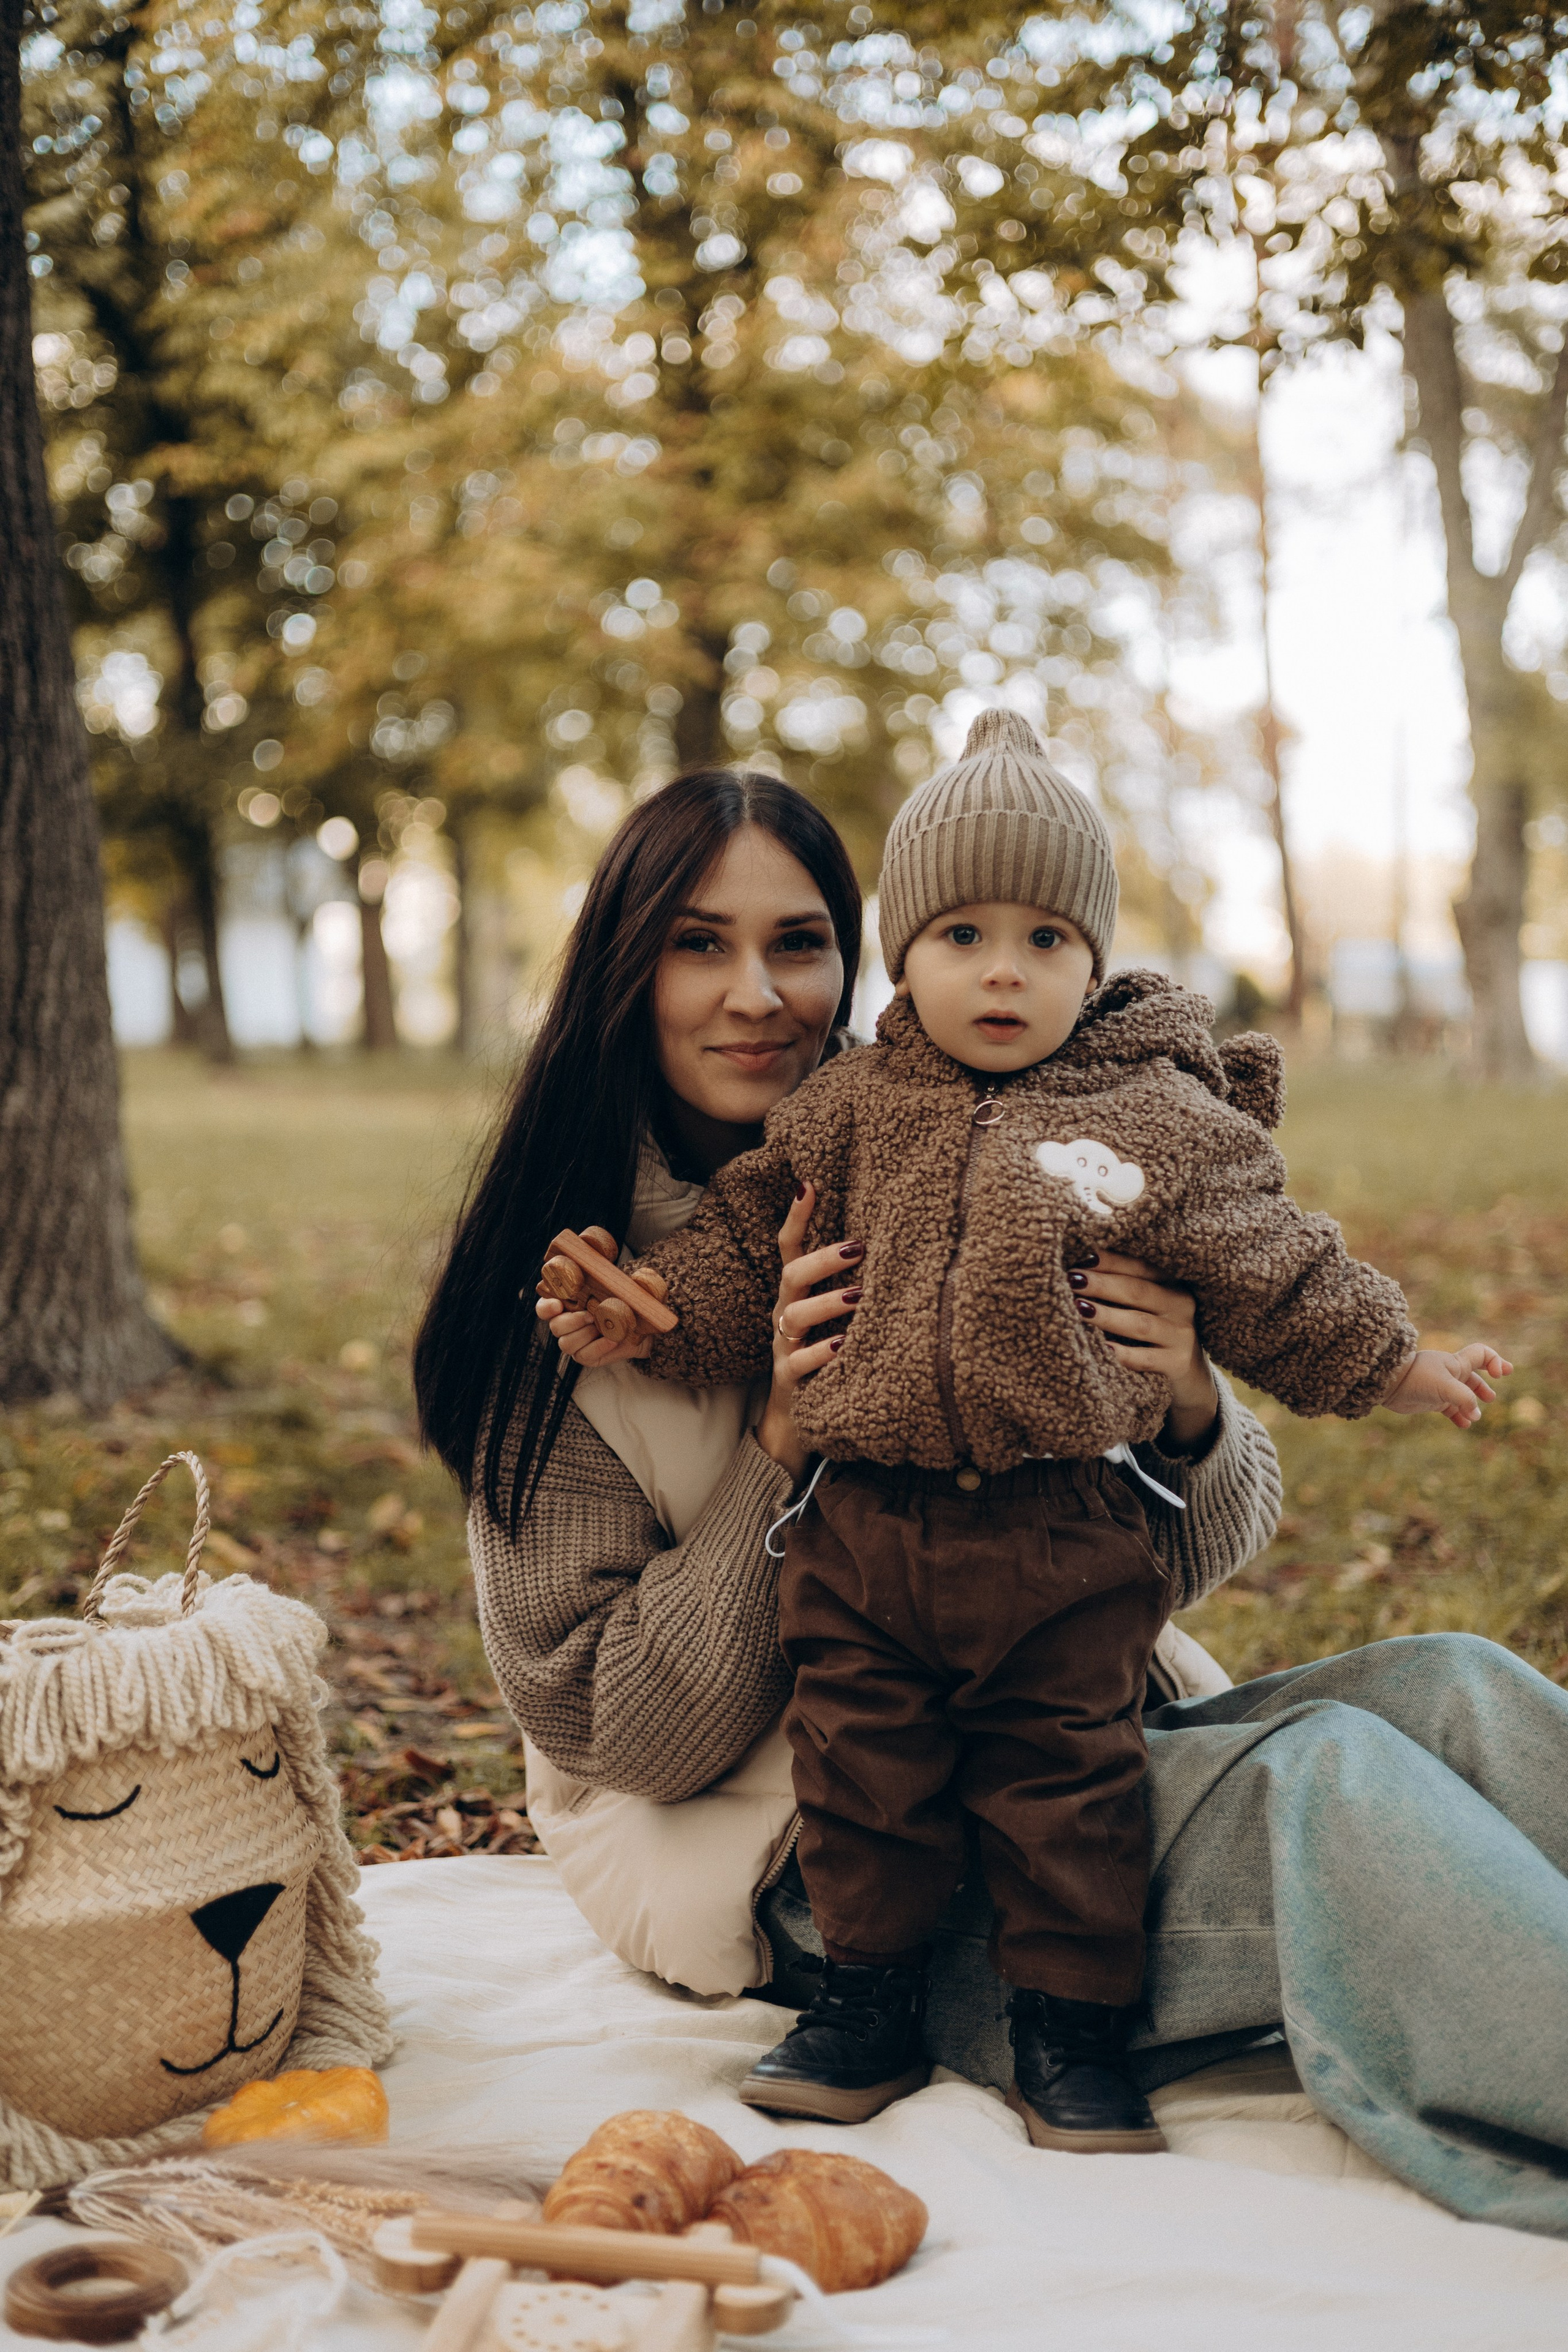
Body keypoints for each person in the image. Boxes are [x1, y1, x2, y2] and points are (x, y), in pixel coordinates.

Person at [415, 763, 1568, 2241]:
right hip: (821, 1855)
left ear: (860, 961)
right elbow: (620, 1735)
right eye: (697, 943)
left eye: (799, 941)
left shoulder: (973, 1153)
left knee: (1459, 1692)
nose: (757, 992)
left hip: (1055, 1722)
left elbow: (1189, 1555)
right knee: (1326, 1787)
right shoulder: (577, 1305)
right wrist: (783, 1440)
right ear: (620, 968)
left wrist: (1186, 1407)